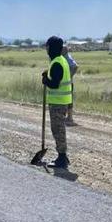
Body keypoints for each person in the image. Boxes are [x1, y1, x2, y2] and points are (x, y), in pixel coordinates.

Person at [42, 36, 72, 168]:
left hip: (57, 103)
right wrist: (48, 74)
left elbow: (54, 84)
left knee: (58, 130)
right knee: (59, 129)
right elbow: (57, 76)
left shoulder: (57, 63)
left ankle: (62, 158)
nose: (46, 49)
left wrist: (45, 80)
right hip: (61, 101)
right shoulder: (61, 60)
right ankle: (63, 156)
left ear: (52, 47)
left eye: (47, 46)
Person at [64, 45, 79, 126]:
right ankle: (67, 117)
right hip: (66, 83)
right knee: (66, 100)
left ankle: (70, 117)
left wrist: (69, 76)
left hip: (68, 83)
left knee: (69, 100)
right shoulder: (63, 57)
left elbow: (75, 66)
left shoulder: (67, 57)